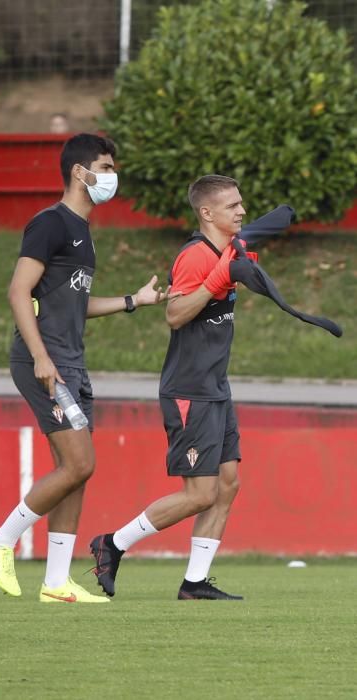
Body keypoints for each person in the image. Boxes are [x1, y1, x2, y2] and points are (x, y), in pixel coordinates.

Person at [0, 133, 175, 604]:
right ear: (79, 172)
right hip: (42, 360)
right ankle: (1, 539)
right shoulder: (49, 223)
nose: (112, 176)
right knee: (81, 462)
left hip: (71, 360)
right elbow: (17, 292)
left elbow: (74, 304)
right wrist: (42, 356)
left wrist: (135, 300)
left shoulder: (84, 234)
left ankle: (56, 582)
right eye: (105, 167)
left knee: (74, 469)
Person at [90, 174, 250, 601]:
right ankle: (113, 543)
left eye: (241, 204)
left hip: (217, 385)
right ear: (207, 212)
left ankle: (194, 583)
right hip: (189, 390)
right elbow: (175, 315)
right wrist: (218, 279)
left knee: (228, 483)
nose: (242, 211)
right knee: (199, 495)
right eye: (233, 205)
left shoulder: (229, 249)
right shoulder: (196, 256)